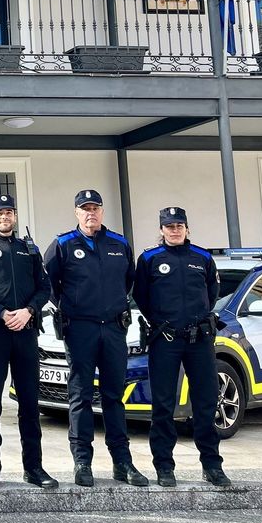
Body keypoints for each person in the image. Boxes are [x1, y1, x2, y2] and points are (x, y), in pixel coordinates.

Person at [43, 190, 148, 488]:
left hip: (113, 329)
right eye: (85, 208)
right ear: (76, 213)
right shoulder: (63, 244)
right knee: (81, 396)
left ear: (102, 211)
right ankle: (82, 462)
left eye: (95, 208)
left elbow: (128, 281)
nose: (90, 213)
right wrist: (71, 306)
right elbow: (48, 283)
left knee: (114, 396)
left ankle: (122, 462)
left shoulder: (119, 244)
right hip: (80, 329)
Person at [132, 207, 231, 488]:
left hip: (199, 340)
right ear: (161, 229)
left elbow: (212, 293)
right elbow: (141, 296)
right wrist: (161, 321)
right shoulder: (149, 259)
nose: (174, 230)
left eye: (179, 226)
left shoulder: (202, 257)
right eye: (169, 226)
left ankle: (212, 465)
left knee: (205, 403)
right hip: (166, 339)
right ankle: (164, 466)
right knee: (163, 405)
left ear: (187, 229)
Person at [0, 194, 57, 491]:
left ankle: (34, 467)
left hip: (26, 332)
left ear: (15, 216)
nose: (5, 217)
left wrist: (28, 310)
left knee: (29, 402)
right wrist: (3, 313)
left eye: (9, 212)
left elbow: (45, 287)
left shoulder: (29, 249)